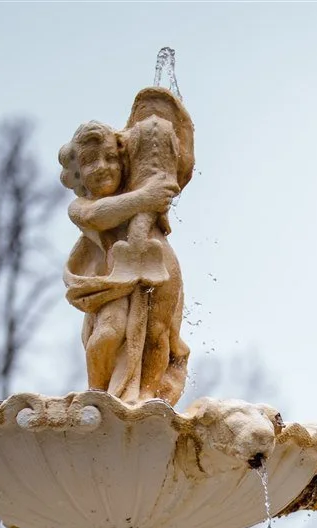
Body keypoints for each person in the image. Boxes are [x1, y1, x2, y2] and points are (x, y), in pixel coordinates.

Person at [56, 87, 194, 404]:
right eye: (91, 162)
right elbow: (100, 216)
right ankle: (100, 398)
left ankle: (148, 395)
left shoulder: (141, 186)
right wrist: (146, 198)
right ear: (77, 174)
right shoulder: (81, 207)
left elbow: (175, 166)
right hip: (111, 277)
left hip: (159, 261)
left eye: (111, 158)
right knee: (106, 334)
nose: (103, 166)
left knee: (158, 334)